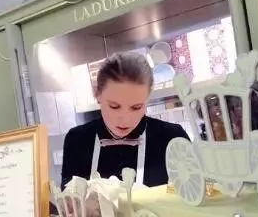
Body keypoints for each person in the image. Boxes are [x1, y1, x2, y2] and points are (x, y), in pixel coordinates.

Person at [61, 52, 189, 189]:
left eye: (136, 107)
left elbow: (193, 192)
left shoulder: (173, 138)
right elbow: (68, 195)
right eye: (114, 106)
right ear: (97, 94)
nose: (125, 119)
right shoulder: (77, 140)